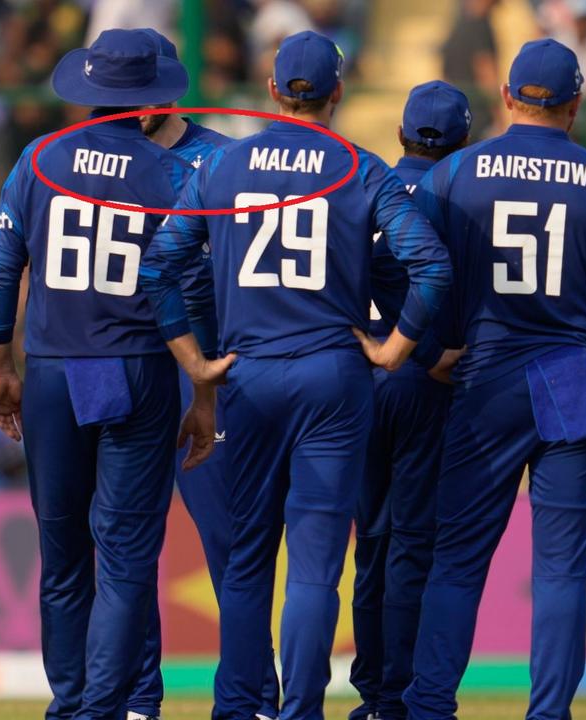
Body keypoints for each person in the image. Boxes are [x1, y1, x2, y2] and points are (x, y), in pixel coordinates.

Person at [140, 30, 452, 720]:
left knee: (247, 561)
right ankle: (302, 709)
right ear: (338, 93)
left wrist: (193, 360)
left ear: (275, 90)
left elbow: (158, 264)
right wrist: (394, 348)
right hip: (333, 380)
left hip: (248, 378)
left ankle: (238, 707)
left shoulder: (221, 167)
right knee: (316, 567)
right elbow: (430, 265)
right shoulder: (361, 169)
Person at [403, 39, 586, 720]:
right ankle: (548, 714)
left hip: (486, 376)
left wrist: (426, 350)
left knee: (455, 560)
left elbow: (407, 268)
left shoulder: (454, 174)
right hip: (573, 373)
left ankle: (429, 707)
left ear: (508, 97)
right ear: (575, 106)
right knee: (563, 573)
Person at [0, 28, 212, 720]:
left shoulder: (39, 159)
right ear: (150, 100)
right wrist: (200, 384)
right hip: (139, 370)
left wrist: (1, 364)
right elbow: (191, 289)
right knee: (123, 558)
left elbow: (0, 271)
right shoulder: (173, 174)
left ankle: (71, 702)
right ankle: (104, 709)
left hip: (55, 369)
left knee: (62, 556)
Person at [139, 26, 283, 720]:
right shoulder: (91, 162)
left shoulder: (226, 163)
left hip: (208, 376)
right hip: (121, 370)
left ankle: (256, 697)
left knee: (232, 544)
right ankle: (136, 700)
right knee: (122, 546)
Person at [348, 79, 471, 720]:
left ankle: (372, 691)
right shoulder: (460, 199)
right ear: (464, 142)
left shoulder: (366, 184)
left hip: (360, 382)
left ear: (399, 133)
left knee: (369, 541)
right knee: (411, 543)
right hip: (423, 384)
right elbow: (421, 274)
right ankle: (396, 692)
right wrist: (423, 351)